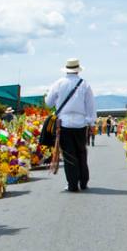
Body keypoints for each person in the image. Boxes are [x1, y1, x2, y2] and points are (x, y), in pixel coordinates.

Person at [46, 58, 96, 192]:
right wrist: (91, 123)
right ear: (78, 69)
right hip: (81, 124)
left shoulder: (58, 83)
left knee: (69, 155)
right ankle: (84, 182)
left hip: (64, 124)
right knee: (81, 153)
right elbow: (90, 106)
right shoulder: (85, 84)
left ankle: (73, 184)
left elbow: (49, 103)